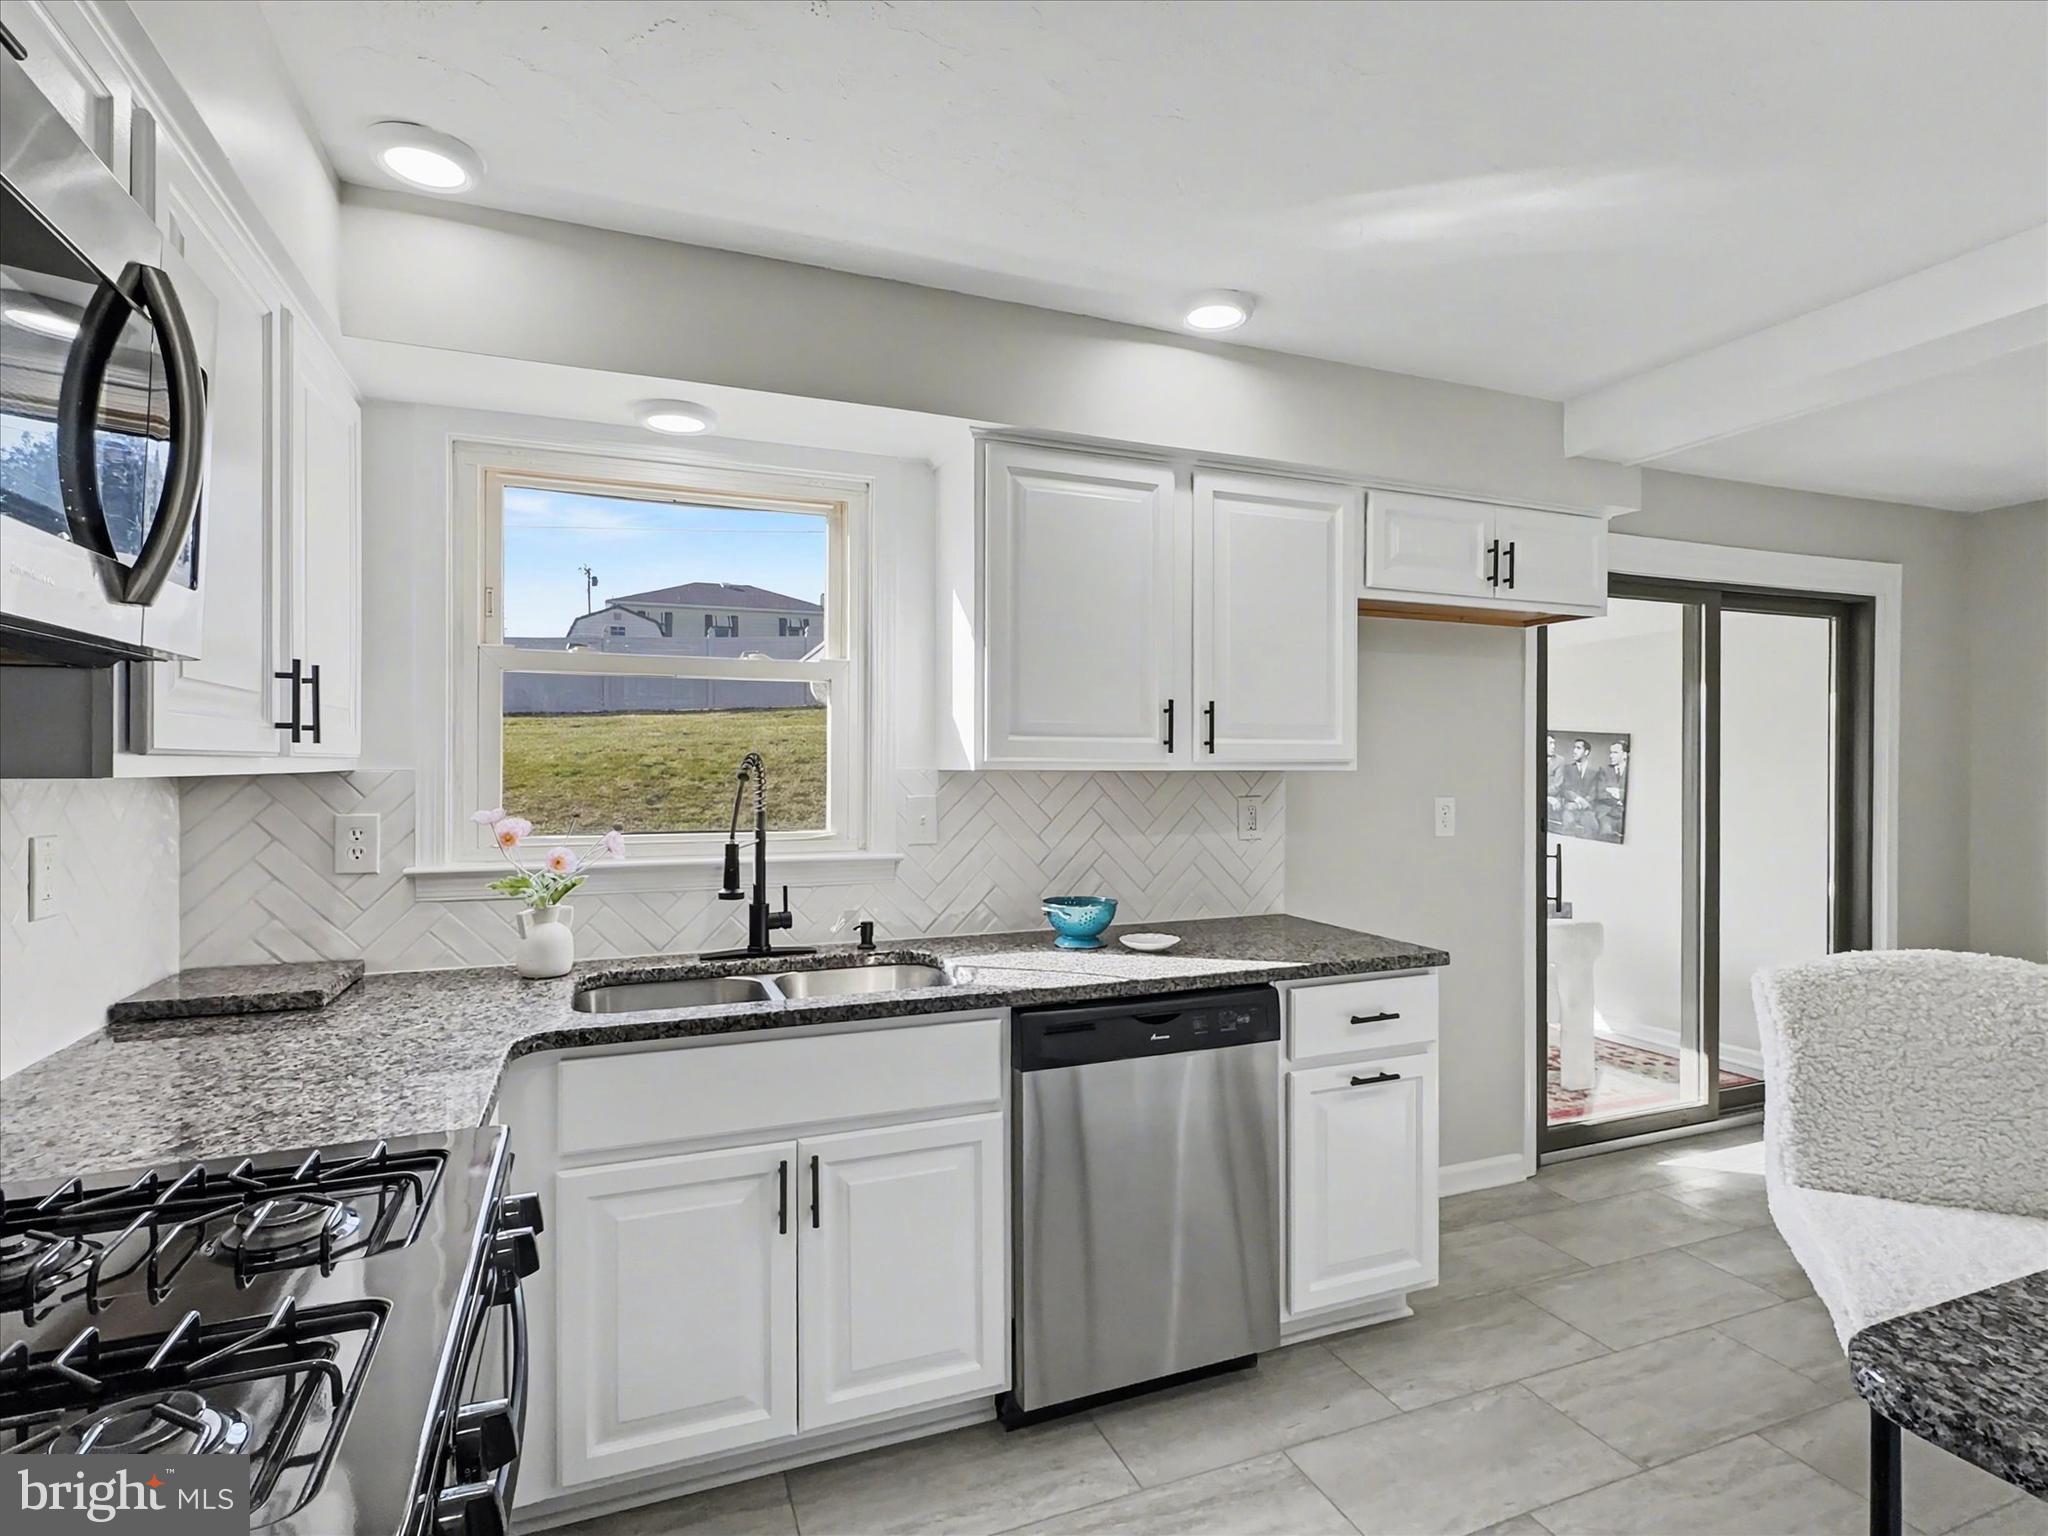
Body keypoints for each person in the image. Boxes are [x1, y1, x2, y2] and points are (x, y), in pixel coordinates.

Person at [1595, 739, 1629, 840]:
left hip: (1625, 812)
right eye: (1611, 752)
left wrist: (1618, 792)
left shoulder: (1633, 771)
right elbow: (1601, 794)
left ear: (1625, 755)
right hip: (1607, 812)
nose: (1611, 756)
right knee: (1607, 833)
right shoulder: (1604, 770)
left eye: (1615, 753)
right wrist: (1619, 800)